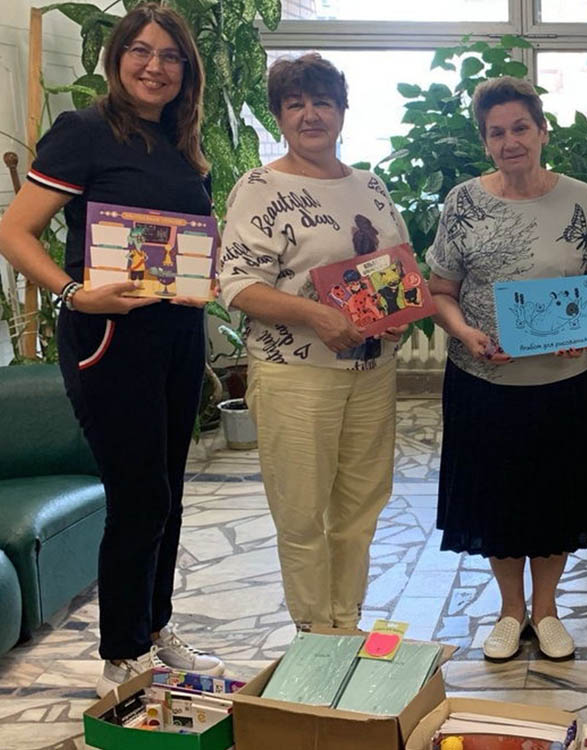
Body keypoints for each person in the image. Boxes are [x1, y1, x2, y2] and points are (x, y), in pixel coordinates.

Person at [0, 3, 224, 696]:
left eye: (171, 56)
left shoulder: (184, 144)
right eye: (142, 51)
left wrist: (208, 275)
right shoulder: (85, 131)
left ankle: (155, 627)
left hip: (177, 334)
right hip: (109, 339)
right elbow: (13, 231)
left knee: (168, 491)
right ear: (117, 56)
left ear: (187, 70)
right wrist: (74, 293)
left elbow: (189, 240)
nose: (155, 67)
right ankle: (123, 652)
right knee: (138, 494)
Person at [429, 76, 587, 662]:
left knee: (557, 495)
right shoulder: (462, 202)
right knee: (499, 498)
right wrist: (464, 332)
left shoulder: (582, 199)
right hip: (485, 380)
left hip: (566, 381)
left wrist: (581, 324)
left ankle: (548, 609)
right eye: (497, 133)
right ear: (485, 141)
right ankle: (511, 610)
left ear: (542, 131)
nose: (510, 141)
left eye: (520, 128)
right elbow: (441, 291)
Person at [217, 53, 410, 632]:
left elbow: (396, 268)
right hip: (296, 375)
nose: (310, 115)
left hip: (371, 373)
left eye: (322, 102)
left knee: (361, 507)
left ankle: (346, 622)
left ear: (342, 111)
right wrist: (316, 315)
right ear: (279, 116)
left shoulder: (369, 186)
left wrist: (399, 311)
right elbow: (237, 284)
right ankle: (314, 631)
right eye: (295, 104)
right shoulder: (259, 187)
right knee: (301, 514)